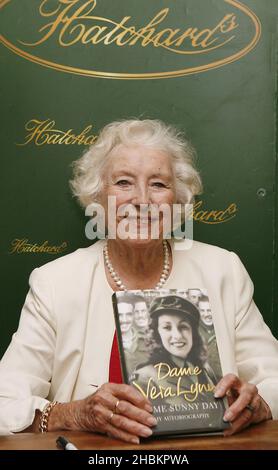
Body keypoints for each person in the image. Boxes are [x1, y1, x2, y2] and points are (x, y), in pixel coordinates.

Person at [0, 119, 277, 443]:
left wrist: (257, 404)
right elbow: (5, 402)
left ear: (178, 200)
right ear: (98, 197)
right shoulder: (54, 283)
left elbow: (274, 379)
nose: (142, 199)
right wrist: (73, 413)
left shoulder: (223, 271)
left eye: (158, 184)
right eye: (123, 182)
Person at [131, 295, 218, 407]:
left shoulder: (205, 369)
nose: (177, 335)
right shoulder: (144, 377)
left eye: (183, 326)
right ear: (157, 334)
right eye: (167, 327)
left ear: (193, 333)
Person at [198, 295, 222, 380]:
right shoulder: (194, 329)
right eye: (202, 311)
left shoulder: (223, 327)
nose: (206, 314)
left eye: (209, 310)